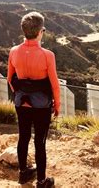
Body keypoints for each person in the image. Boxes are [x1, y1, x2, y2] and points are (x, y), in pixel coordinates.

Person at [8, 12, 60, 187]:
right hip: (41, 106)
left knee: (23, 137)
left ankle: (23, 174)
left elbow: (10, 79)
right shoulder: (48, 55)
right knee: (40, 141)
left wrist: (21, 95)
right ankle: (41, 181)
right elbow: (54, 84)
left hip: (21, 102)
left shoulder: (14, 51)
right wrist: (57, 105)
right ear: (40, 32)